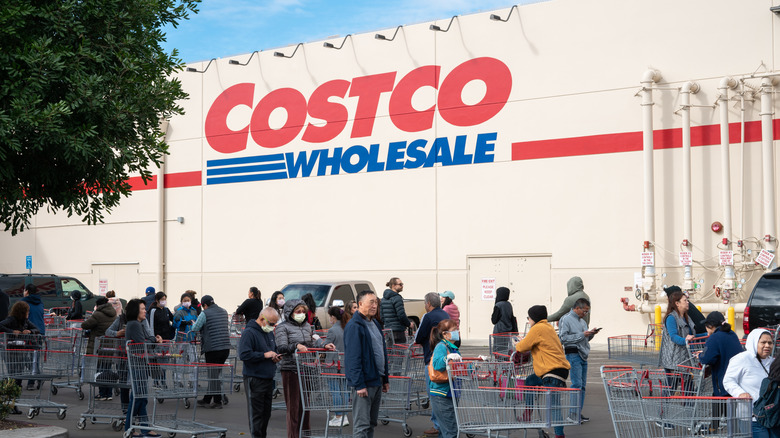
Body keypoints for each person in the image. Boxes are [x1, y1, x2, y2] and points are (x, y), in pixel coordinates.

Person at [275, 299, 335, 438]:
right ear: (290, 313)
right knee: (293, 407)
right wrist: (296, 346)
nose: (302, 314)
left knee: (305, 407)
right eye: (298, 311)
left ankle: (306, 434)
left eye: (303, 311)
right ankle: (294, 435)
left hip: (305, 368)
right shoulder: (282, 327)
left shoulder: (307, 326)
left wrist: (323, 346)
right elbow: (282, 347)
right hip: (291, 369)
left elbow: (311, 342)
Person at [514, 305, 570, 438]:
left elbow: (522, 347)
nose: (528, 321)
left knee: (554, 404)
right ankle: (528, 413)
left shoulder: (537, 328)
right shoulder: (548, 327)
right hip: (557, 370)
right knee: (530, 381)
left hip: (552, 372)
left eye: (529, 318)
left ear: (534, 318)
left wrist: (518, 342)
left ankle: (559, 435)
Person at [345, 290, 389, 438]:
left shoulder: (375, 323)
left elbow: (382, 351)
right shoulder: (355, 326)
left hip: (377, 380)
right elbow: (353, 358)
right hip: (364, 383)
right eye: (371, 302)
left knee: (371, 423)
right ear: (360, 304)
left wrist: (385, 379)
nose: (374, 305)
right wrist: (359, 384)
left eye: (376, 302)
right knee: (361, 425)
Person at [723, 328, 777, 438]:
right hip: (751, 417)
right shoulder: (742, 359)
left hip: (772, 415)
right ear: (754, 341)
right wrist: (740, 393)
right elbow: (728, 380)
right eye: (763, 342)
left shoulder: (773, 362)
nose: (767, 346)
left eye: (770, 343)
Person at [238, 307, 282, 438]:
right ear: (262, 319)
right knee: (256, 416)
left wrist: (274, 357)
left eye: (275, 324)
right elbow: (244, 355)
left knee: (265, 414)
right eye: (272, 323)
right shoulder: (249, 332)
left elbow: (272, 350)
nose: (273, 327)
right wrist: (264, 355)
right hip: (254, 378)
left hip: (268, 377)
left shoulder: (267, 332)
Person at [124, 298, 163, 438]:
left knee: (140, 397)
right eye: (142, 309)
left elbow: (144, 341)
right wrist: (155, 340)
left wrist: (152, 340)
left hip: (140, 363)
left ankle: (142, 428)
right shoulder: (134, 324)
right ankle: (130, 428)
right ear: (135, 310)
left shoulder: (137, 323)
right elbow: (142, 344)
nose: (145, 311)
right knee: (138, 398)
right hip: (138, 364)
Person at [698, 311, 743, 430]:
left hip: (723, 378)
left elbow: (707, 358)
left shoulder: (715, 337)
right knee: (725, 404)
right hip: (737, 378)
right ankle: (715, 427)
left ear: (710, 326)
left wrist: (699, 356)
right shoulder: (731, 334)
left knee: (719, 398)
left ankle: (716, 428)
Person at [413, 292, 448, 436]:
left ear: (428, 304)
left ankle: (438, 424)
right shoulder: (445, 315)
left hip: (432, 358)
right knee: (442, 392)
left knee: (433, 392)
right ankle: (443, 422)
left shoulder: (428, 317)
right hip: (445, 356)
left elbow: (418, 337)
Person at [558, 298, 597, 423]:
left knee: (582, 386)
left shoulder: (582, 321)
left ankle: (577, 413)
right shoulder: (566, 319)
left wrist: (591, 334)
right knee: (576, 385)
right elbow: (563, 338)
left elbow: (584, 339)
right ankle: (573, 414)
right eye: (584, 311)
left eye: (587, 312)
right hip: (573, 354)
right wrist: (582, 335)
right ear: (577, 308)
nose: (585, 314)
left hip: (583, 354)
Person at [191, 295, 232, 408]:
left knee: (213, 376)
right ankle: (207, 399)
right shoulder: (224, 311)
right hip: (225, 348)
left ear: (205, 305)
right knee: (215, 374)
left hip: (213, 349)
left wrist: (193, 323)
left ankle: (217, 401)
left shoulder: (205, 313)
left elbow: (195, 328)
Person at [428, 319, 461, 438]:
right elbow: (437, 364)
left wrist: (475, 365)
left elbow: (460, 367)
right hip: (441, 394)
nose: (457, 332)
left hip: (449, 394)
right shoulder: (441, 347)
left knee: (446, 430)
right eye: (454, 330)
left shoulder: (453, 348)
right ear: (445, 334)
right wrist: (447, 358)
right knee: (451, 431)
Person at [81, 296, 118, 400]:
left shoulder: (97, 314)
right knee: (108, 369)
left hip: (99, 346)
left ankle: (102, 393)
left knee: (100, 371)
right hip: (110, 346)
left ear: (98, 305)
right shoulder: (113, 313)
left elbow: (85, 325)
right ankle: (109, 394)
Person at [659, 289, 695, 371]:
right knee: (673, 383)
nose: (687, 302)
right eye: (685, 300)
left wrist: (707, 334)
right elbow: (673, 336)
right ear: (677, 303)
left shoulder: (687, 318)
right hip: (673, 360)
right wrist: (685, 340)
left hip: (685, 359)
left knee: (687, 383)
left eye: (687, 300)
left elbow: (692, 335)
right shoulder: (671, 318)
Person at [326, 306, 349, 427]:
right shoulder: (346, 327)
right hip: (345, 363)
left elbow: (326, 345)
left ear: (333, 317)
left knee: (335, 390)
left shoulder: (332, 330)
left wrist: (317, 340)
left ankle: (339, 415)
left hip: (333, 364)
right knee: (344, 390)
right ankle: (344, 415)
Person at [21, 284, 44, 391]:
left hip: (28, 333)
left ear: (27, 291)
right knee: (35, 358)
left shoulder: (23, 302)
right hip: (40, 332)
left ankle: (32, 380)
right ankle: (37, 377)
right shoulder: (40, 302)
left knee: (23, 358)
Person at [380, 277, 412, 345]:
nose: (402, 286)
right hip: (398, 332)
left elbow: (382, 317)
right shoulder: (397, 298)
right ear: (393, 286)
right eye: (400, 284)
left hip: (388, 332)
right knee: (401, 352)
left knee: (391, 353)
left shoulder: (383, 299)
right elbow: (401, 315)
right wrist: (409, 324)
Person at [491, 286, 517, 355]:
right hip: (508, 331)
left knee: (498, 351)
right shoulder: (509, 304)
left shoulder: (498, 305)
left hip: (499, 332)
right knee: (505, 350)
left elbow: (494, 320)